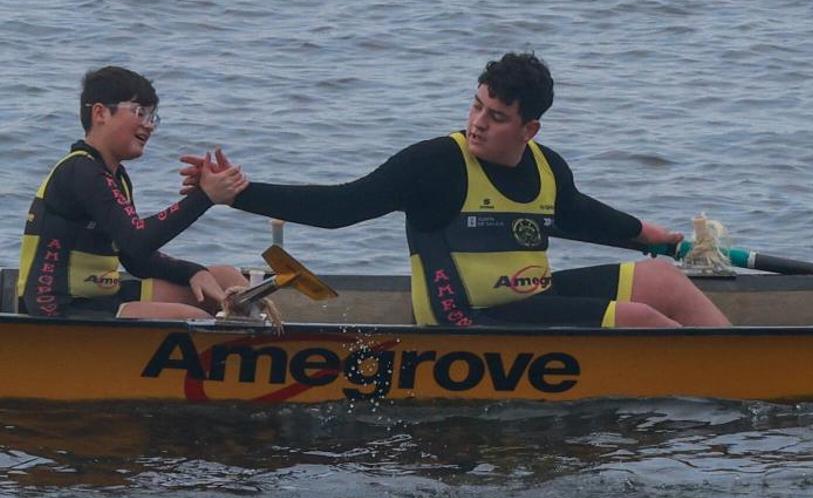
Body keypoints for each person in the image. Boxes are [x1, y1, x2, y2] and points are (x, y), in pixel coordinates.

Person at [183, 52, 730, 328]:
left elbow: (580, 216)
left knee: (662, 278)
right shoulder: (434, 164)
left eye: (495, 116)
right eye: (476, 107)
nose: (477, 123)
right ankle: (702, 390)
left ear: (529, 129)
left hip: (530, 303)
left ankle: (745, 365)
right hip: (467, 319)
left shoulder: (547, 166)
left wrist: (649, 236)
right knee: (639, 319)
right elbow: (340, 208)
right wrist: (236, 194)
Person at [18, 66, 250, 320]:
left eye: (152, 117)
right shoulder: (81, 170)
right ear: (101, 113)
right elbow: (137, 240)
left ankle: (275, 342)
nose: (149, 125)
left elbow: (135, 257)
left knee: (226, 279)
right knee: (193, 318)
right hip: (61, 307)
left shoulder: (116, 177)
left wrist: (192, 271)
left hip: (101, 296)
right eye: (140, 113)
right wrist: (204, 197)